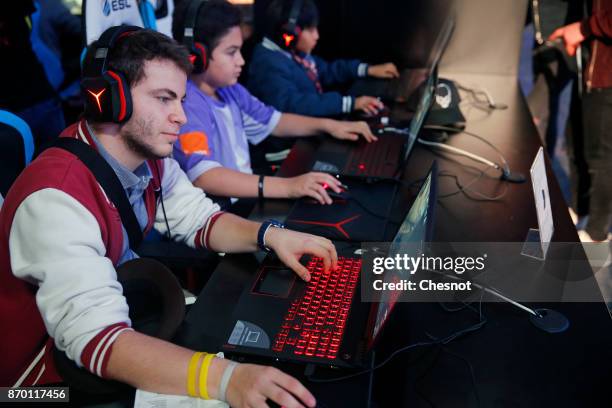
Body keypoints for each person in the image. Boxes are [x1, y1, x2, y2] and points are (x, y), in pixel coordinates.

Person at [0, 27, 335, 408]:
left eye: (181, 99)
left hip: (102, 327)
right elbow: (98, 342)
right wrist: (228, 379)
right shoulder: (55, 198)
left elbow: (200, 220)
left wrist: (271, 236)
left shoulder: (150, 161)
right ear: (110, 99)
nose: (180, 116)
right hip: (37, 383)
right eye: (164, 99)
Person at [172, 0, 377, 206]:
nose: (241, 61)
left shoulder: (230, 90)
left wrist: (330, 126)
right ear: (196, 56)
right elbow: (205, 176)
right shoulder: (188, 103)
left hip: (244, 196)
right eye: (231, 52)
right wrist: (288, 187)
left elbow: (275, 121)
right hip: (221, 210)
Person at [247, 0, 400, 118]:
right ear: (289, 34)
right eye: (311, 30)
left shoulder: (291, 52)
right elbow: (294, 105)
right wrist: (349, 103)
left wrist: (366, 69)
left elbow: (326, 71)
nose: (317, 36)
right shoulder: (268, 64)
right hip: (287, 149)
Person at [549, 0, 612, 242]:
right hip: (590, 69)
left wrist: (583, 29)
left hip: (606, 76)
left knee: (602, 155)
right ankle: (578, 209)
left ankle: (597, 232)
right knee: (576, 140)